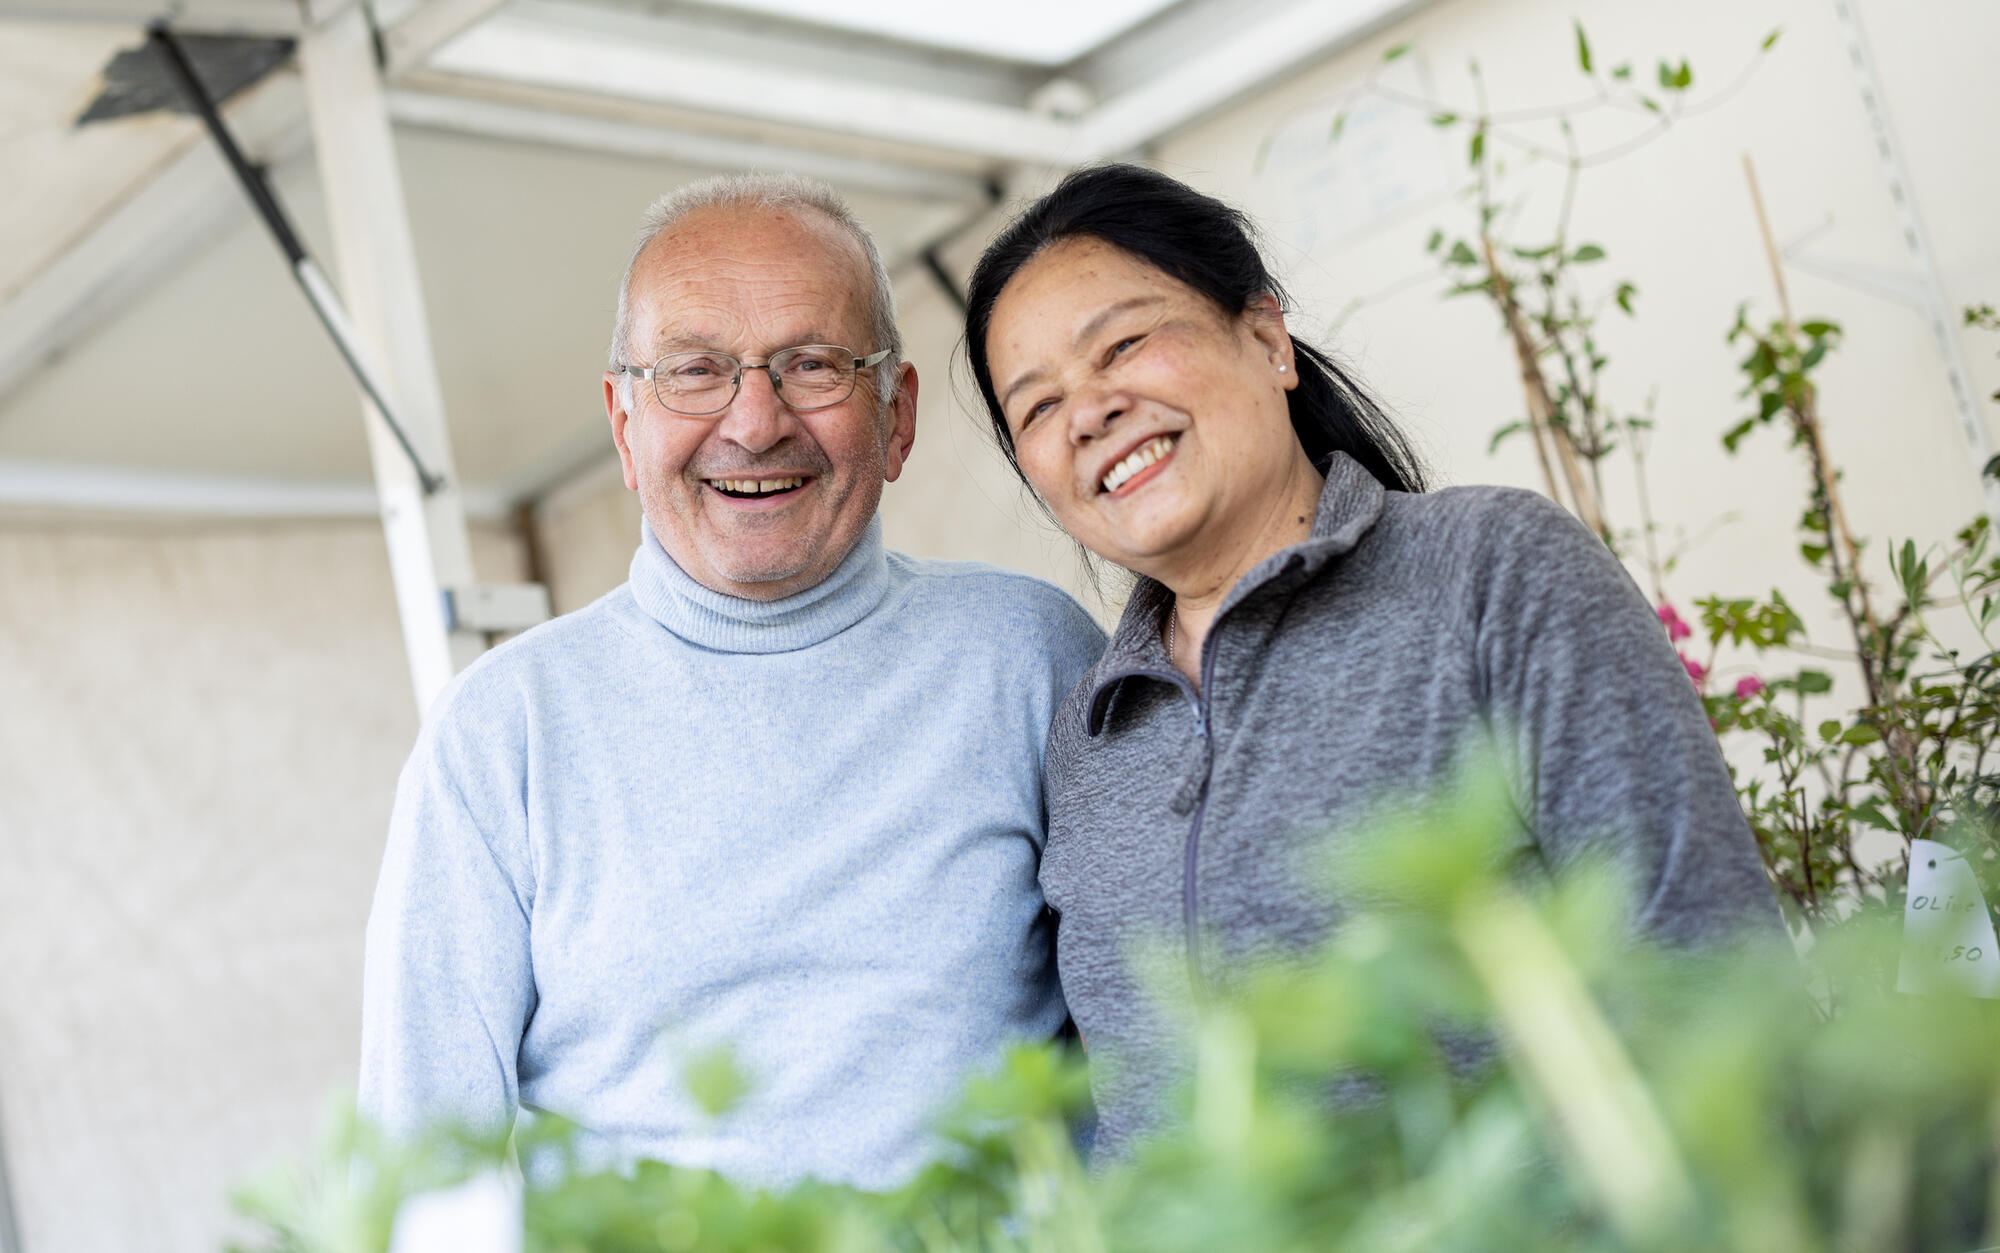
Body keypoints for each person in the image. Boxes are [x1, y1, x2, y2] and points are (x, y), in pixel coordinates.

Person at [963, 163, 1781, 1161]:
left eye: (1123, 344)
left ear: (1265, 338)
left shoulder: (1489, 570)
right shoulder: (1086, 733)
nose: (1087, 410)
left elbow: (1708, 963)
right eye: (1037, 407)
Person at [359, 173, 1107, 1189]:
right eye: (694, 371)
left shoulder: (1029, 654)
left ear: (896, 414)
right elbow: (423, 1160)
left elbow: (1154, 1034)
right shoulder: (503, 731)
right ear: (625, 427)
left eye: (812, 363)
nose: (754, 422)